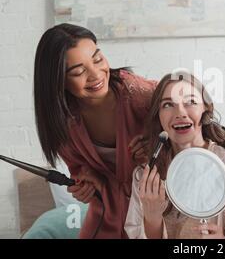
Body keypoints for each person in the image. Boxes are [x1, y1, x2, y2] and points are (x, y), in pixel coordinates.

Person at [33, 23, 157, 238]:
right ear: (58, 81)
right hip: (108, 218)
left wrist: (156, 145)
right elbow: (80, 171)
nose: (95, 75)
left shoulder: (140, 95)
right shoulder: (62, 122)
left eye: (98, 59)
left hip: (153, 213)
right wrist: (87, 184)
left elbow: (190, 128)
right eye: (79, 71)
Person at [125, 72, 225, 238]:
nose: (180, 113)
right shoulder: (145, 177)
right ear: (158, 116)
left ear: (205, 109)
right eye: (168, 105)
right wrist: (152, 219)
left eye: (190, 102)